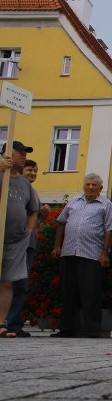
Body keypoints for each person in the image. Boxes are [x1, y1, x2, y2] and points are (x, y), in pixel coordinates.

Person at [51, 174, 112, 338]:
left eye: (93, 185)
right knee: (68, 293)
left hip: (91, 255)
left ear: (100, 188)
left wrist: (105, 252)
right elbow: (62, 223)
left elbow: (109, 229)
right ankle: (66, 329)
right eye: (87, 184)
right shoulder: (73, 201)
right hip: (69, 252)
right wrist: (57, 246)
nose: (90, 187)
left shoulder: (106, 204)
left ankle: (93, 330)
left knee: (91, 294)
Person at [6, 159, 49, 337]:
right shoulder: (13, 189)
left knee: (21, 285)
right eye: (30, 169)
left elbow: (31, 221)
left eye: (35, 170)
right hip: (13, 241)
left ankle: (14, 323)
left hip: (28, 244)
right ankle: (7, 322)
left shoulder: (33, 192)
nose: (33, 173)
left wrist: (41, 216)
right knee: (8, 283)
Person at [0, 142, 39, 338]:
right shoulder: (1, 174)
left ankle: (1, 324)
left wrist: (28, 230)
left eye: (25, 153)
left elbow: (33, 209)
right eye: (20, 153)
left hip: (16, 240)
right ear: (7, 154)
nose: (23, 156)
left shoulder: (24, 183)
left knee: (7, 282)